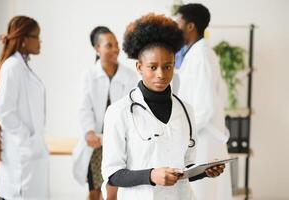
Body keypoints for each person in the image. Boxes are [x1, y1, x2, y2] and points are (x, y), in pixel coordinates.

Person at [101, 13, 225, 200]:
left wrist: (204, 171)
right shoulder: (119, 112)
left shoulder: (186, 110)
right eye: (153, 67)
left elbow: (184, 167)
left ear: (174, 65)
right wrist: (151, 175)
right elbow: (113, 174)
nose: (161, 74)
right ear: (139, 67)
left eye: (167, 66)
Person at [72, 26, 138, 200]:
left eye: (116, 44)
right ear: (97, 49)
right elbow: (84, 107)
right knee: (94, 192)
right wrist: (89, 132)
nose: (116, 49)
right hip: (95, 145)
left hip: (118, 142)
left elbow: (132, 110)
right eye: (109, 45)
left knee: (112, 192)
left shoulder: (130, 76)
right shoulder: (88, 75)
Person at [176, 4, 233, 200]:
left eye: (178, 22)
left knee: (204, 193)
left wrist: (183, 131)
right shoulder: (195, 53)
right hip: (200, 136)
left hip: (203, 137)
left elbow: (205, 106)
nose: (176, 27)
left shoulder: (201, 56)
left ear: (190, 26)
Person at [0, 16, 49, 199]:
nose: (40, 42)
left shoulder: (21, 66)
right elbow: (3, 111)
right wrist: (27, 137)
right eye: (36, 37)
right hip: (21, 157)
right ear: (24, 40)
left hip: (28, 155)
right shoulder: (13, 67)